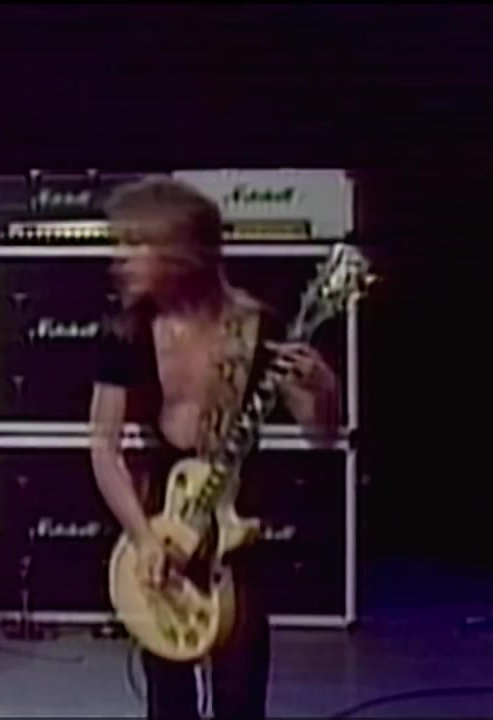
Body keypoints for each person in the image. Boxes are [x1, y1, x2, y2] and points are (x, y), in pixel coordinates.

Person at [89, 177, 340, 720]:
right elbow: (103, 447)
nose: (118, 259)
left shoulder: (259, 326)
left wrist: (324, 388)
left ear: (181, 252)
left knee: (241, 695)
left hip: (235, 536)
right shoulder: (127, 331)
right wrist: (142, 537)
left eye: (136, 243)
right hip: (161, 529)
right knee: (168, 702)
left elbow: (321, 435)